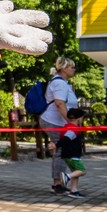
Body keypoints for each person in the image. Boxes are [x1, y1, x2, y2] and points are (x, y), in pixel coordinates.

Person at [41, 57, 86, 196]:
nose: (74, 69)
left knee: (62, 150)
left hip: (58, 122)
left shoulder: (62, 83)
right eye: (72, 67)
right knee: (61, 150)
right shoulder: (60, 84)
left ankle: (59, 182)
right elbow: (59, 103)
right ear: (64, 69)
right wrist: (71, 122)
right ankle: (57, 184)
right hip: (55, 122)